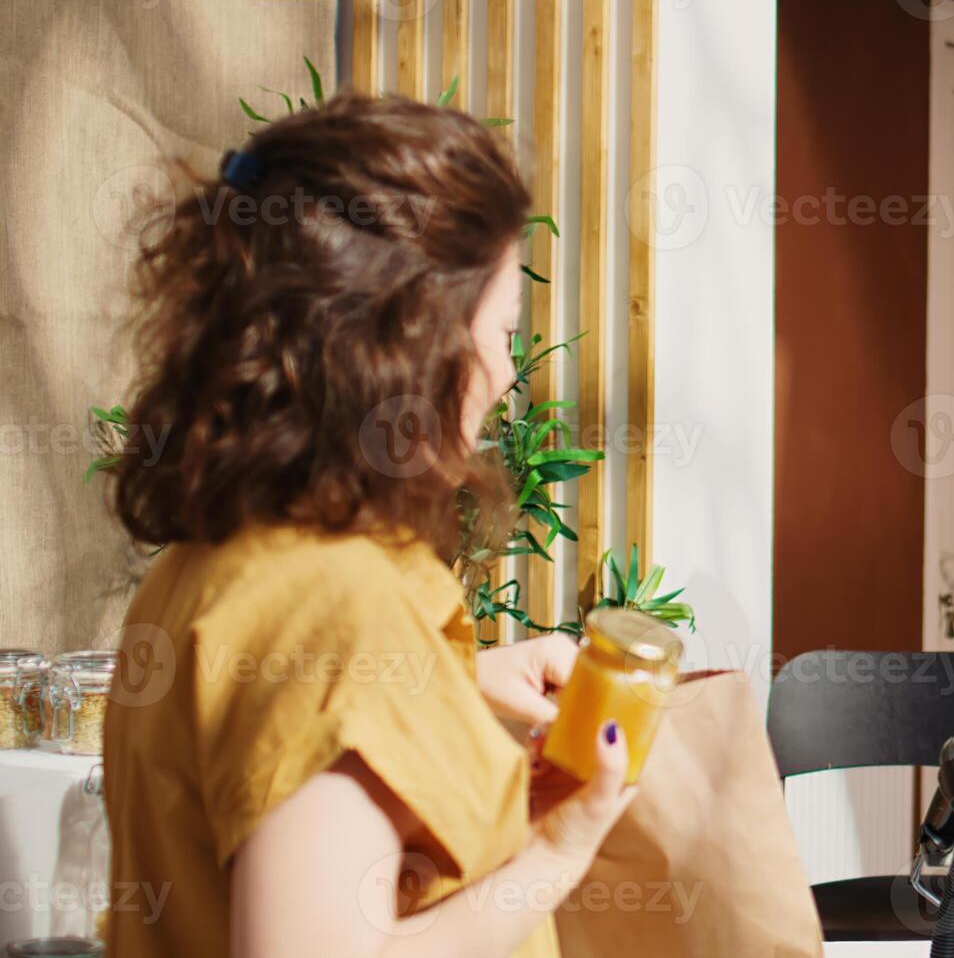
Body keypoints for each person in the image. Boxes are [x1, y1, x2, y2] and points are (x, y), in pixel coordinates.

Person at [100, 94, 629, 957]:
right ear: (407, 343)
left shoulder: (215, 559)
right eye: (499, 331)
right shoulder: (337, 608)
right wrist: (560, 848)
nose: (503, 370)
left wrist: (443, 684)